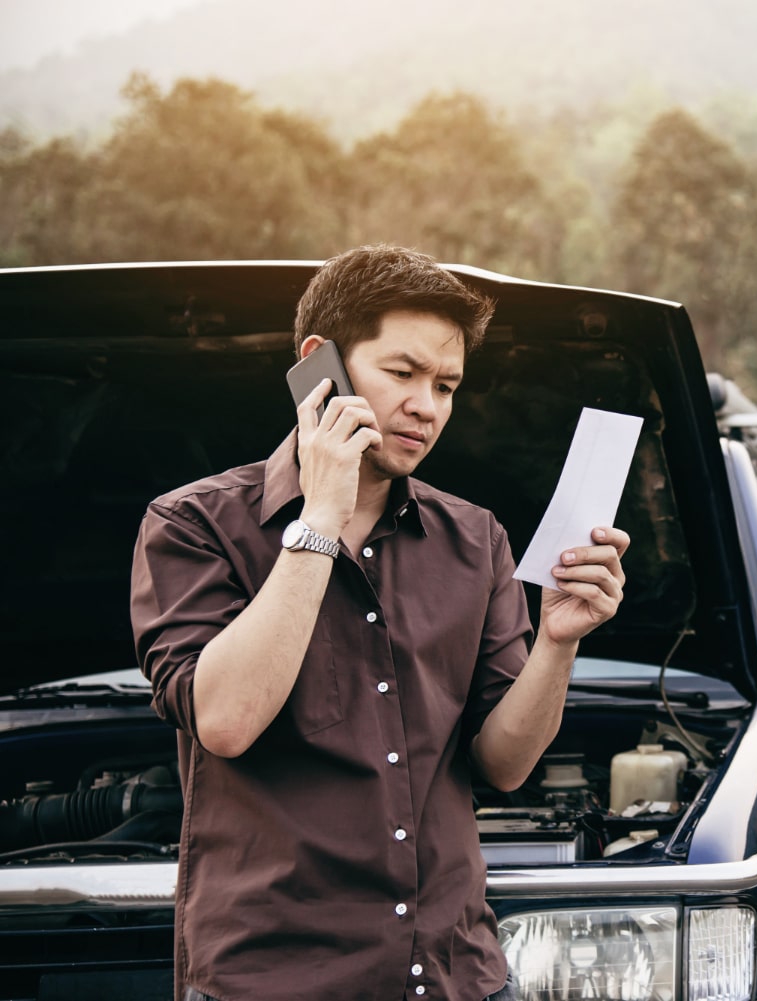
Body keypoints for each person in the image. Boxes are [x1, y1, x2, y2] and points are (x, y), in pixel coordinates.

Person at [130, 245, 629, 1001]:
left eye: (447, 384)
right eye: (402, 373)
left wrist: (558, 641)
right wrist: (320, 517)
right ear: (319, 364)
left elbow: (503, 764)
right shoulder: (192, 526)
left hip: (455, 976)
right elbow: (226, 719)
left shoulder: (476, 540)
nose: (427, 406)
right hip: (273, 984)